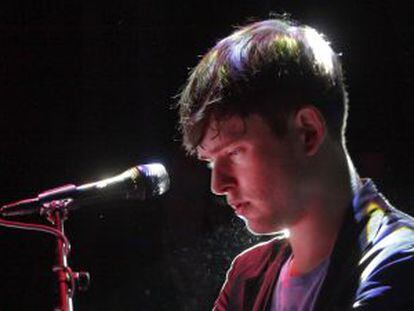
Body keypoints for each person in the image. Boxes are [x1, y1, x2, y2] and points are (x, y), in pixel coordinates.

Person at [177, 17, 414, 310]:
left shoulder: (400, 260)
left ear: (307, 133)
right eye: (211, 163)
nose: (218, 185)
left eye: (235, 152)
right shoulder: (247, 275)